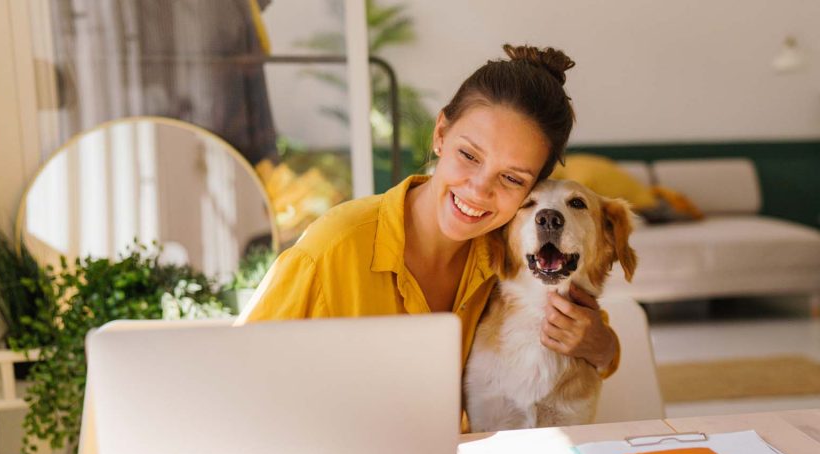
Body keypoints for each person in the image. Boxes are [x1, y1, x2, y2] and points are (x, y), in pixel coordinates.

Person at [240, 44, 620, 432]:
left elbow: (590, 336)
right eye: (469, 155)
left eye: (512, 178)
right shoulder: (332, 249)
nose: (478, 189)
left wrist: (602, 345)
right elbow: (236, 376)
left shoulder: (509, 255)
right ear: (441, 134)